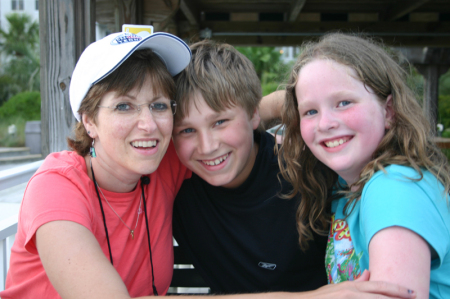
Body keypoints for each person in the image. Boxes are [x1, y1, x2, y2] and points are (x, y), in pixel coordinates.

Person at [1, 31, 192, 298]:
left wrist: (269, 108)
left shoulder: (163, 162)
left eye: (158, 105)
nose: (149, 125)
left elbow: (233, 128)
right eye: (124, 106)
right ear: (89, 121)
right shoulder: (57, 186)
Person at [277, 33, 450, 299]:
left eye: (344, 103)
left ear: (389, 111)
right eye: (310, 111)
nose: (325, 124)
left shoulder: (394, 186)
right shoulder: (350, 186)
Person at [171, 40, 328, 294]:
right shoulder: (174, 184)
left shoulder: (308, 174)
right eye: (187, 130)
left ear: (254, 114)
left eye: (220, 122)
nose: (208, 146)